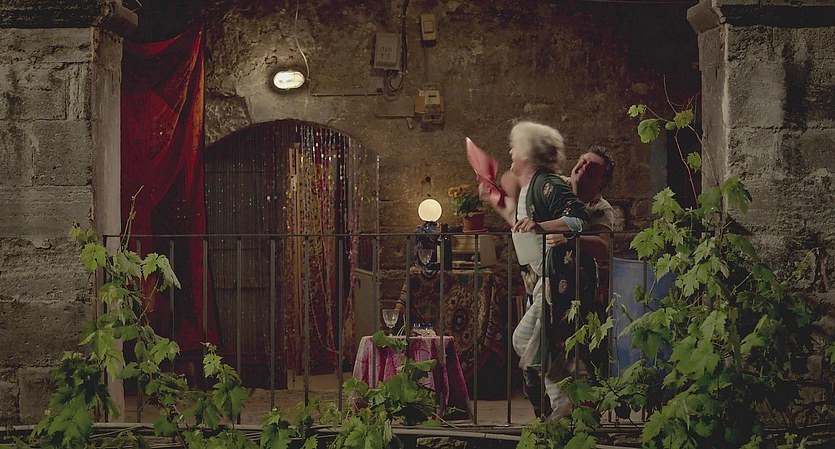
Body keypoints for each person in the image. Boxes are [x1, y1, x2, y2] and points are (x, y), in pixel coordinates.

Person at [481, 121, 591, 419]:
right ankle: (566, 402)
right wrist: (493, 198)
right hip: (541, 283)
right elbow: (519, 224)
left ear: (527, 153)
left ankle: (565, 402)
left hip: (555, 282)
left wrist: (542, 226)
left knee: (531, 343)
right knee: (532, 344)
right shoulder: (531, 187)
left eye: (514, 147)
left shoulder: (547, 184)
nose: (510, 152)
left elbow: (580, 219)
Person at [546, 145, 616, 382]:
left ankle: (580, 396)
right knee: (537, 342)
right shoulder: (557, 186)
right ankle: (547, 396)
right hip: (544, 281)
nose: (584, 167)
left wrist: (571, 238)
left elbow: (603, 247)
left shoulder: (600, 208)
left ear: (602, 181)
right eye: (583, 161)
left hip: (579, 287)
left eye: (593, 167)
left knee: (575, 345)